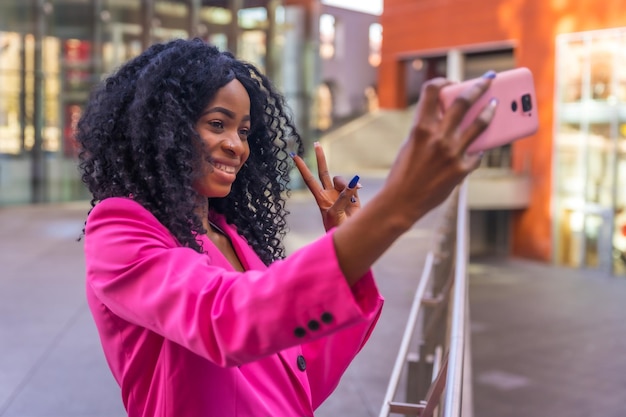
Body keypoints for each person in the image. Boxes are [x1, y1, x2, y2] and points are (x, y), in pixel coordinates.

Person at [76, 38, 496, 417]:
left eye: (244, 131)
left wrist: (344, 238)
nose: (236, 145)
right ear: (163, 129)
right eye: (217, 124)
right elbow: (223, 319)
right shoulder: (119, 226)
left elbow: (299, 377)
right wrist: (394, 208)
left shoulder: (231, 238)